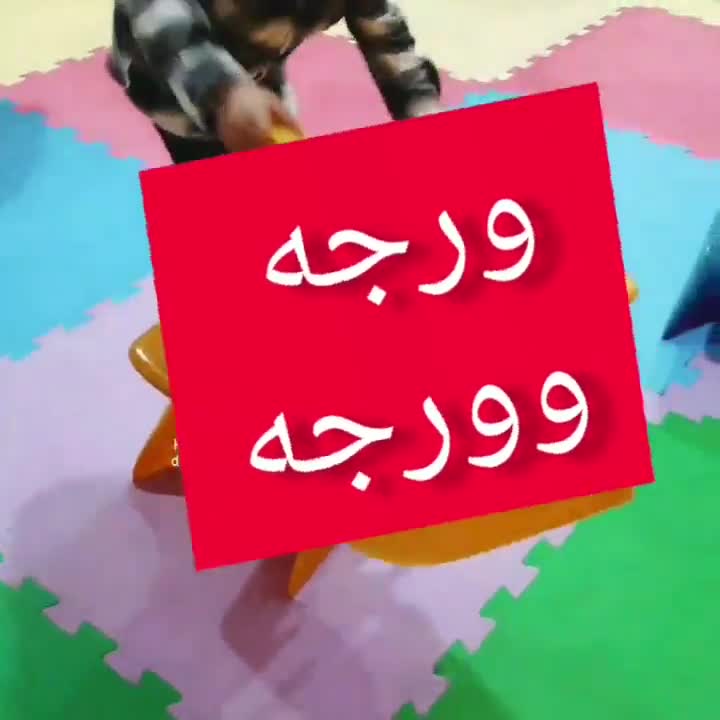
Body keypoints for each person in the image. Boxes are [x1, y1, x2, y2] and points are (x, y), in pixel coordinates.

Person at [108, 0, 444, 164]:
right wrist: (224, 94)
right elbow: (160, 13)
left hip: (260, 64)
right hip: (171, 79)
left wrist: (422, 108)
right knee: (211, 187)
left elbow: (385, 35)